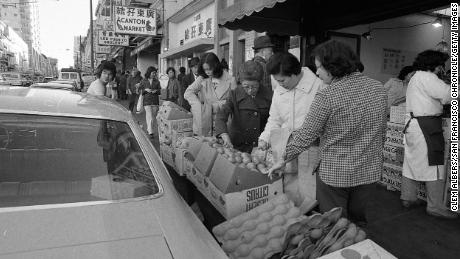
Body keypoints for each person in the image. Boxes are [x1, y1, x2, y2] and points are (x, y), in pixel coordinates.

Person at [269, 40, 387, 222]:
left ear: (333, 66)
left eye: (319, 67)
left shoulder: (327, 95)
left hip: (335, 173)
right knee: (357, 221)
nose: (316, 72)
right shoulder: (378, 87)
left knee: (334, 223)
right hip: (368, 170)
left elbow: (306, 135)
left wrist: (283, 159)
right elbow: (381, 130)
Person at [257, 52, 324, 207]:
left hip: (311, 147)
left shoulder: (318, 87)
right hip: (286, 146)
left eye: (282, 80)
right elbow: (275, 118)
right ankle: (291, 218)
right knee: (288, 187)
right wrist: (265, 137)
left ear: (295, 73)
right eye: (277, 80)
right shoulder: (280, 89)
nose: (280, 84)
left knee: (310, 190)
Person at [401, 50, 457, 219]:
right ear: (435, 65)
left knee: (411, 163)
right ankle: (435, 207)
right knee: (435, 166)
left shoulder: (415, 76)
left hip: (414, 125)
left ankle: (408, 198)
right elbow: (448, 95)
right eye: (441, 65)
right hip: (427, 126)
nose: (442, 69)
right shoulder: (427, 77)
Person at [215, 60, 272, 153]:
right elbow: (221, 115)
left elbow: (274, 121)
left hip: (259, 146)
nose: (250, 90)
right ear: (241, 82)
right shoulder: (235, 94)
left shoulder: (269, 95)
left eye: (254, 87)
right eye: (246, 86)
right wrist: (224, 135)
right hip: (238, 145)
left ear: (260, 82)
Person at [184, 53, 237, 136]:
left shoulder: (231, 80)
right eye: (205, 69)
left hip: (223, 123)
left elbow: (235, 102)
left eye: (210, 69)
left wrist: (214, 106)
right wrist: (197, 106)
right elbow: (188, 93)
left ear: (216, 66)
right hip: (205, 123)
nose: (207, 72)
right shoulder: (202, 78)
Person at [139, 66, 161, 139]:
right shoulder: (143, 81)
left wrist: (156, 91)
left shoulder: (157, 81)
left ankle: (149, 129)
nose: (154, 74)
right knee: (150, 116)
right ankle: (151, 132)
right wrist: (145, 90)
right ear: (149, 73)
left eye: (155, 73)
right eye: (153, 73)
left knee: (153, 117)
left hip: (155, 101)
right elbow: (139, 91)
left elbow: (160, 91)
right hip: (147, 101)